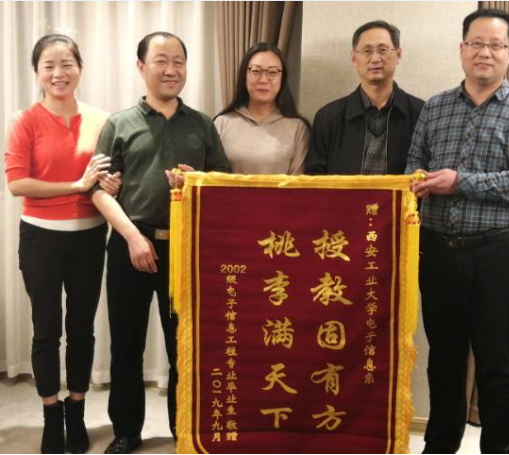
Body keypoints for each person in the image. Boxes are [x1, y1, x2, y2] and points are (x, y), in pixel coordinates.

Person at [406, 9, 509, 454]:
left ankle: (498, 448)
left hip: (495, 256)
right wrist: (416, 181)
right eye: (476, 43)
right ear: (462, 48)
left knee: (496, 367)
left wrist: (460, 182)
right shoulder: (436, 107)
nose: (484, 52)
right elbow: (414, 163)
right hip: (436, 254)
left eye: (495, 45)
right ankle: (440, 445)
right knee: (443, 362)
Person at [91, 31, 230, 454]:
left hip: (186, 252)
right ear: (141, 67)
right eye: (161, 61)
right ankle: (126, 431)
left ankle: (183, 430)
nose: (171, 70)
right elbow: (98, 192)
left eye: (178, 62)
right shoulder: (119, 124)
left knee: (183, 346)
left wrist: (198, 181)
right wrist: (133, 237)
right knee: (126, 345)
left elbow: (224, 184)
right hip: (130, 244)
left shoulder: (202, 124)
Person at [4, 34, 120, 454]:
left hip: (89, 236)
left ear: (80, 69)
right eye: (49, 66)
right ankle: (51, 415)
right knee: (46, 330)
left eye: (67, 64)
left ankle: (77, 411)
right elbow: (18, 184)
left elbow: (108, 177)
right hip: (41, 238)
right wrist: (76, 185)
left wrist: (112, 183)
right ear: (37, 73)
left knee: (82, 329)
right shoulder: (24, 120)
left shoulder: (102, 120)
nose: (59, 73)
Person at [305, 20, 424, 175]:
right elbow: (314, 179)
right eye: (367, 51)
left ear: (398, 55)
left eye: (383, 50)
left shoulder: (422, 113)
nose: (375, 59)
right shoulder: (328, 117)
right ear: (354, 59)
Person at [214, 42, 310, 175]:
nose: (263, 80)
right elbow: (209, 178)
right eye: (256, 71)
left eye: (272, 72)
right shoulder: (222, 123)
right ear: (244, 75)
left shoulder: (297, 128)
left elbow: (298, 184)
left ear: (282, 78)